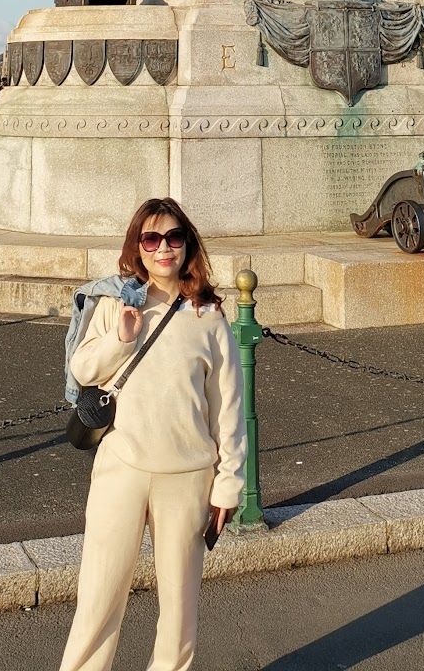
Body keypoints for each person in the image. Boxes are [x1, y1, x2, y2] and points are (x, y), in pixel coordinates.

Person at [58, 197, 246, 671]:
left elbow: (229, 411)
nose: (164, 248)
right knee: (98, 600)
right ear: (137, 246)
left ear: (187, 244)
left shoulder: (210, 317)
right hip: (121, 467)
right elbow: (82, 370)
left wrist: (229, 486)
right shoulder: (116, 301)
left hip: (187, 476)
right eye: (152, 238)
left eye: (174, 237)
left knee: (179, 613)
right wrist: (122, 337)